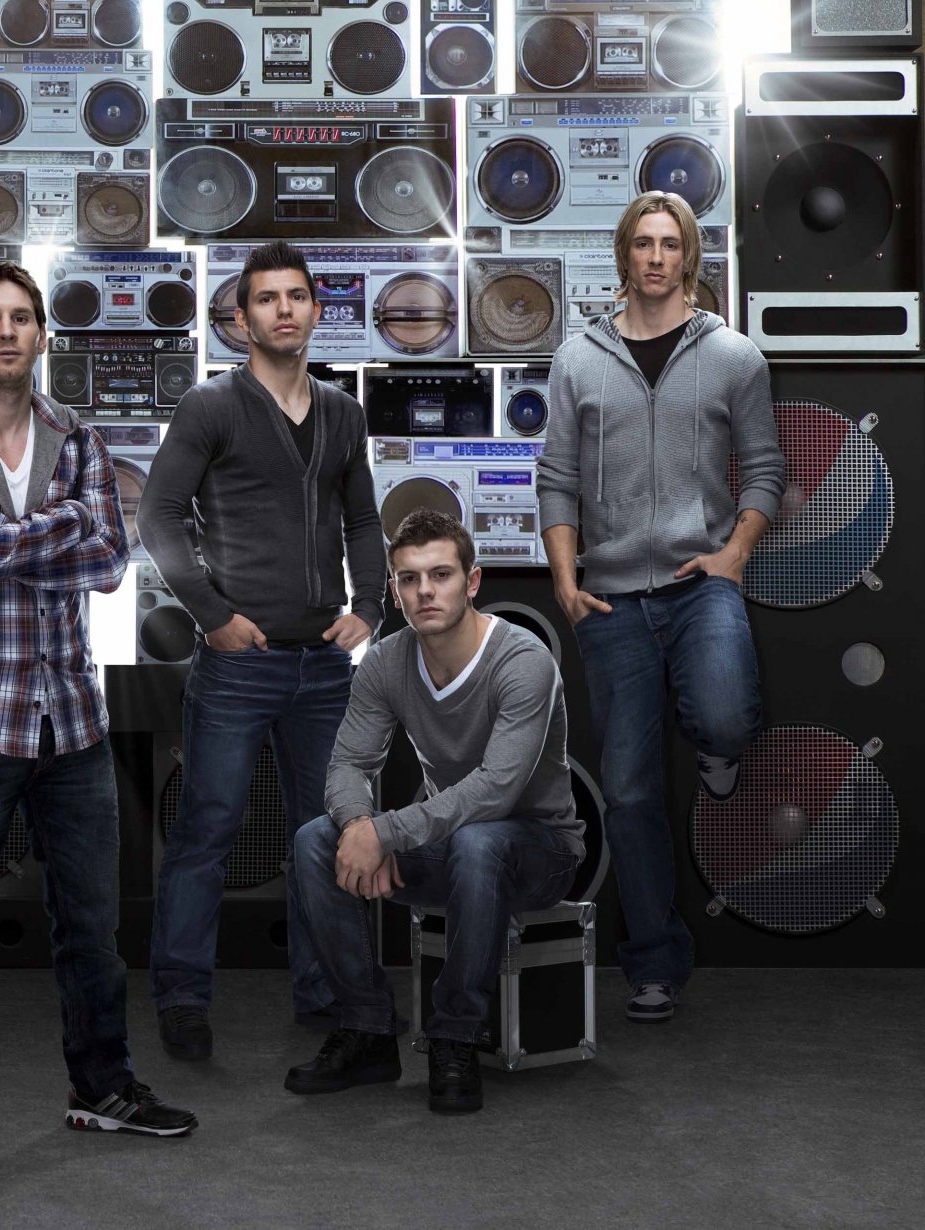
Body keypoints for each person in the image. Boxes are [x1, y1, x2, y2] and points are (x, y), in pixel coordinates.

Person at [0, 261, 198, 1169]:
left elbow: (109, 562)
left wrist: (6, 531)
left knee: (93, 933)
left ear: (40, 334)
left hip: (72, 721)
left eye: (22, 317)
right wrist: (53, 530)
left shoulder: (79, 438)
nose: (7, 331)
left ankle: (102, 1089)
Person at [537, 190, 785, 1025]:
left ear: (688, 256)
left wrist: (733, 555)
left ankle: (720, 753)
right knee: (631, 793)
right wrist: (565, 581)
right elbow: (557, 477)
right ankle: (653, 965)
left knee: (723, 717)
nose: (655, 257)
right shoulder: (577, 359)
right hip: (610, 599)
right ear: (624, 254)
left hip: (699, 582)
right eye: (642, 243)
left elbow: (765, 469)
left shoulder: (734, 356)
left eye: (669, 243)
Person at [137, 240, 381, 1060]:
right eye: (267, 298)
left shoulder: (342, 413)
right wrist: (211, 615)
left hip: (324, 667)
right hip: (239, 664)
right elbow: (158, 517)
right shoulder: (211, 406)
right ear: (241, 319)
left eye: (297, 296)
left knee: (327, 833)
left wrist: (370, 606)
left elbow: (363, 520)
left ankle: (327, 992)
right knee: (206, 830)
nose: (284, 309)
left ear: (316, 309)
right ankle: (181, 999)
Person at [287, 508, 586, 1115]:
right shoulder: (385, 662)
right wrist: (359, 827)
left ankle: (456, 1037)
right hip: (450, 847)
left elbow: (495, 791)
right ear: (394, 591)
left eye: (441, 575)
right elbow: (348, 764)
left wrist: (387, 833)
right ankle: (368, 1028)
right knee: (315, 840)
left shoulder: (522, 661)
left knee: (482, 839)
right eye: (410, 578)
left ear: (471, 582)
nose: (425, 590)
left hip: (540, 853)